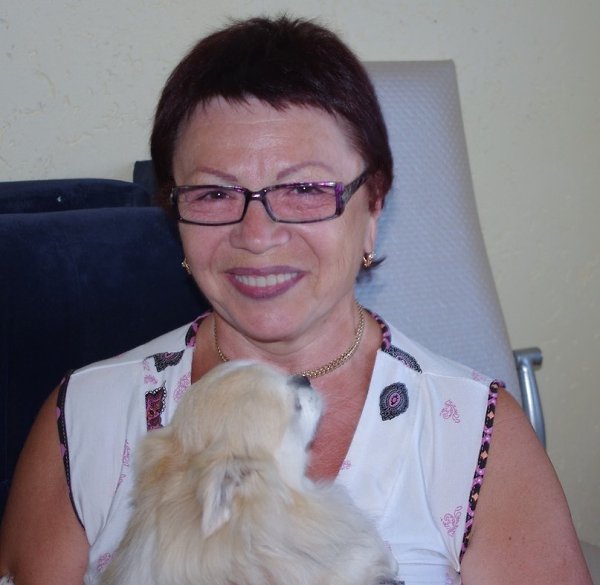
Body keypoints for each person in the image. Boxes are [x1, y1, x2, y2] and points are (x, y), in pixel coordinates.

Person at [0, 16, 592, 585]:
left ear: (373, 205)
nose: (257, 235)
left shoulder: (476, 441)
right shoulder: (86, 422)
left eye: (305, 188)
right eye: (213, 194)